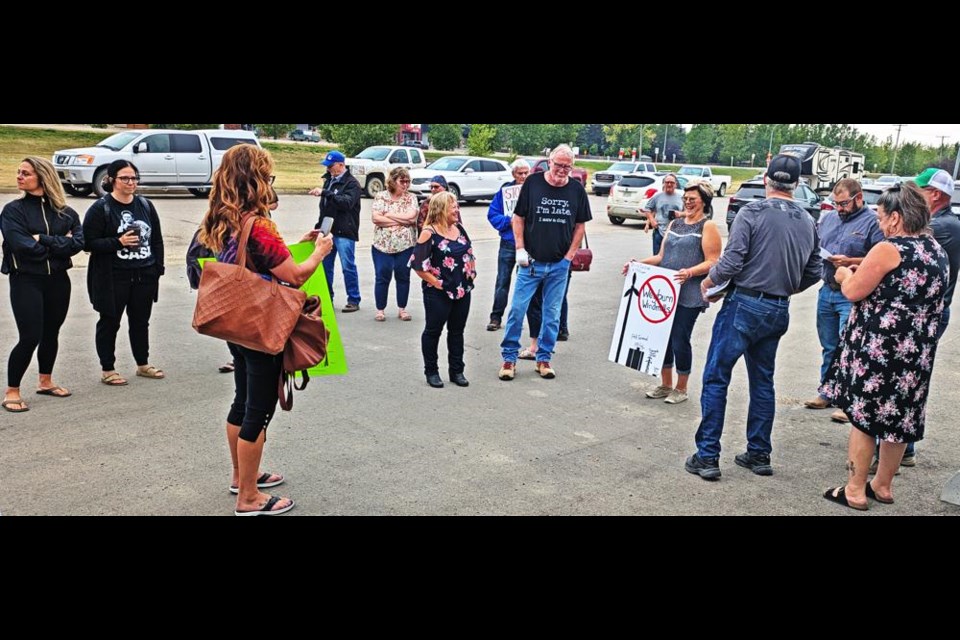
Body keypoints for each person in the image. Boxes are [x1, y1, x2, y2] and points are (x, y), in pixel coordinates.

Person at [198, 144, 333, 516]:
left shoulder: (223, 217)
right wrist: (319, 252)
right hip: (262, 326)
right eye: (268, 177)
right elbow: (293, 275)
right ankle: (249, 498)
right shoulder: (259, 225)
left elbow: (258, 260)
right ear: (255, 179)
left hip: (235, 323)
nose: (270, 183)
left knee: (242, 402)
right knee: (258, 411)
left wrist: (300, 244)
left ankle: (241, 477)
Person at [688, 154, 821, 480]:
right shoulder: (807, 221)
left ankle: (707, 456)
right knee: (763, 382)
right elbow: (815, 270)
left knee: (717, 377)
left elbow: (732, 261)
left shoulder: (752, 212)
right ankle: (759, 452)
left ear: (766, 179)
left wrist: (708, 282)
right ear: (798, 184)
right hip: (777, 308)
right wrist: (784, 287)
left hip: (744, 306)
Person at [821, 183, 949, 510]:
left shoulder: (889, 249)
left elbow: (853, 292)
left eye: (881, 217)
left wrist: (843, 275)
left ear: (895, 218)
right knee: (899, 419)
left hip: (881, 347)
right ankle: (883, 485)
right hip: (917, 350)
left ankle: (853, 489)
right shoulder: (936, 251)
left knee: (865, 418)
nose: (879, 224)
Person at [498, 145, 591, 381]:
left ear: (572, 166)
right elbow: (518, 217)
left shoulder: (577, 190)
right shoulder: (533, 183)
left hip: (559, 265)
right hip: (531, 263)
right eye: (558, 164)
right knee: (517, 310)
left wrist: (569, 256)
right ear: (549, 162)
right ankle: (509, 359)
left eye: (567, 166)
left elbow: (580, 225)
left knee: (552, 314)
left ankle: (544, 358)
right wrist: (520, 248)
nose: (562, 170)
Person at [624, 182, 721, 405]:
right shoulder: (675, 223)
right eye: (685, 198)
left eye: (692, 199)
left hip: (689, 293)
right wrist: (637, 264)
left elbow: (713, 261)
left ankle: (681, 387)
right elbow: (660, 257)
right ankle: (665, 383)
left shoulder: (707, 227)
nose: (687, 202)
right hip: (665, 291)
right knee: (663, 338)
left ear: (703, 202)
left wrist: (690, 272)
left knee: (680, 337)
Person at [1, 157, 84, 413]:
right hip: (26, 279)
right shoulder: (13, 211)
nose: (19, 176)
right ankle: (12, 390)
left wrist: (43, 239)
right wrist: (58, 245)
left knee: (51, 333)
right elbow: (22, 247)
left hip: (58, 280)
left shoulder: (66, 213)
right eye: (19, 172)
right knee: (30, 336)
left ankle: (45, 381)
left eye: (25, 173)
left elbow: (78, 244)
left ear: (42, 177)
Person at [803, 179, 884, 420]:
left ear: (859, 198)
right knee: (830, 346)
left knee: (850, 348)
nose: (840, 208)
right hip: (827, 290)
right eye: (836, 203)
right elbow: (816, 247)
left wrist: (851, 262)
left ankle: (848, 402)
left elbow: (880, 258)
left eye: (844, 203)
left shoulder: (873, 223)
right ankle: (827, 392)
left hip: (852, 294)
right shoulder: (828, 219)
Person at [82, 160, 166, 386]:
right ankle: (108, 368)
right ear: (111, 180)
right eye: (125, 178)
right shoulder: (101, 208)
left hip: (144, 274)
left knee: (141, 321)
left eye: (134, 178)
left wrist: (158, 267)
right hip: (113, 276)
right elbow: (88, 243)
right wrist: (117, 242)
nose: (131, 183)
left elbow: (156, 239)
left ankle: (142, 364)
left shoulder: (146, 205)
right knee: (110, 321)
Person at [410, 192, 476, 388]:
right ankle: (431, 371)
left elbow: (469, 252)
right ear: (441, 210)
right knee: (433, 331)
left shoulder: (459, 229)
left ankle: (457, 371)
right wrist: (436, 283)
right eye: (453, 207)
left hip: (462, 289)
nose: (457, 210)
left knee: (457, 331)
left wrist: (471, 272)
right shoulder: (428, 233)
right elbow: (418, 265)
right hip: (438, 291)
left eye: (456, 206)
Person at [309, 150, 362, 313]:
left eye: (331, 166)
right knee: (325, 266)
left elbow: (346, 203)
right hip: (327, 230)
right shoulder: (329, 180)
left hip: (345, 230)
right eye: (327, 166)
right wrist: (319, 227)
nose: (329, 170)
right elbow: (324, 207)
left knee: (348, 266)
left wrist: (326, 193)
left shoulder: (352, 183)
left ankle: (353, 299)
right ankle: (327, 298)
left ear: (341, 165)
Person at [371, 167, 419, 322]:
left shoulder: (411, 198)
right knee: (382, 276)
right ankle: (380, 309)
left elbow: (412, 218)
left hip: (405, 246)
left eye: (408, 181)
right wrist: (401, 220)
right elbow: (376, 218)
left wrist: (389, 215)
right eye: (402, 181)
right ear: (393, 181)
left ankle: (402, 309)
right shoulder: (381, 196)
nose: (405, 185)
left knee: (403, 276)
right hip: (382, 245)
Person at [641, 173, 683, 256]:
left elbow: (687, 212)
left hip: (675, 232)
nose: (669, 184)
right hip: (659, 231)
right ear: (664, 183)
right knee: (657, 257)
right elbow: (647, 208)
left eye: (672, 182)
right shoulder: (657, 197)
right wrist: (652, 220)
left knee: (672, 257)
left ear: (676, 184)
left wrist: (680, 214)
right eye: (667, 182)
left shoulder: (681, 198)